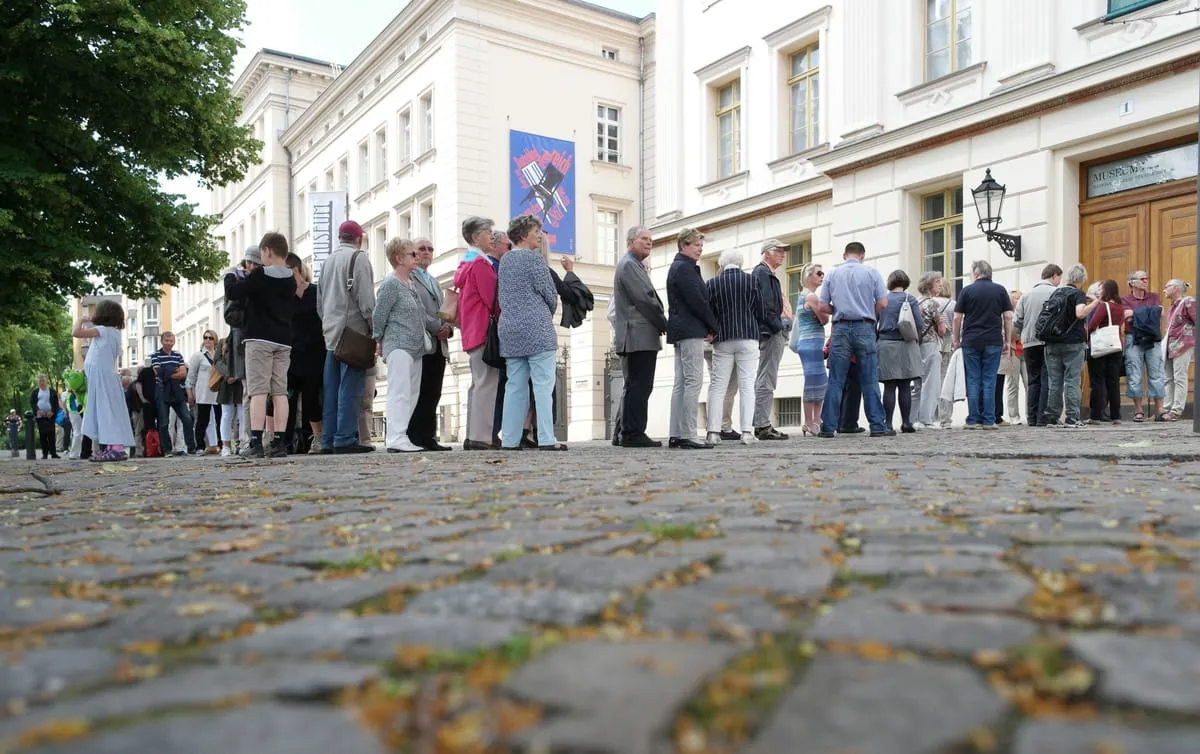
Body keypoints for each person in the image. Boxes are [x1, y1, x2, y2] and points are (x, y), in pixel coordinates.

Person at [224, 231, 296, 458]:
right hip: (284, 341)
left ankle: (255, 441)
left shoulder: (259, 276)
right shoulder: (291, 279)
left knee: (258, 391)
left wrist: (230, 276)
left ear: (267, 251)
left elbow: (234, 292)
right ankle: (279, 442)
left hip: (259, 339)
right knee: (280, 392)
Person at [498, 216, 566, 451]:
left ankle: (509, 439)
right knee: (543, 386)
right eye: (536, 231)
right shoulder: (535, 260)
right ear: (524, 235)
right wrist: (544, 313)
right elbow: (550, 293)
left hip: (510, 329)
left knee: (514, 386)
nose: (540, 235)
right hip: (537, 329)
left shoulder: (505, 260)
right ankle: (546, 438)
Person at [818, 241, 891, 437]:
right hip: (865, 326)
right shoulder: (872, 273)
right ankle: (877, 426)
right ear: (862, 255)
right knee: (869, 379)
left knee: (836, 380)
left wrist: (839, 310)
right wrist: (868, 311)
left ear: (844, 255)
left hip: (841, 327)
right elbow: (883, 303)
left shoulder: (833, 274)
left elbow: (823, 306)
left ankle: (827, 427)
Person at [318, 220, 376, 453]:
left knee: (331, 389)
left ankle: (327, 440)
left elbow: (320, 302)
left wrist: (327, 324)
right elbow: (366, 300)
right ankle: (345, 438)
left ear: (340, 237)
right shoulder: (358, 258)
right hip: (353, 333)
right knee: (351, 388)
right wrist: (374, 327)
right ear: (359, 239)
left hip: (331, 333)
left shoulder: (327, 261)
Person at [612, 226, 669, 448]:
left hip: (634, 334)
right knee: (640, 385)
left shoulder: (631, 264)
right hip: (638, 334)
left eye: (650, 240)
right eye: (644, 239)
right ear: (631, 241)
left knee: (633, 385)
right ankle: (633, 433)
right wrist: (662, 321)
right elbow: (645, 299)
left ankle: (622, 432)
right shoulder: (630, 265)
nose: (649, 242)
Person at [705, 248, 764, 446]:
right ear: (740, 263)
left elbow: (708, 312)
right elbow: (761, 311)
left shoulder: (712, 283)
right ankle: (747, 432)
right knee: (747, 385)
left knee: (718, 385)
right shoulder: (752, 281)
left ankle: (713, 432)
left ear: (721, 265)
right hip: (748, 337)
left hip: (723, 338)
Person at [666, 228, 718, 450]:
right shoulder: (685, 269)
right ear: (684, 245)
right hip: (689, 330)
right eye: (697, 245)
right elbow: (697, 301)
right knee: (692, 381)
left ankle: (677, 433)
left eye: (701, 245)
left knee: (681, 383)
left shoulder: (680, 267)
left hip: (682, 329)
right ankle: (687, 433)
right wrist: (713, 325)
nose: (700, 249)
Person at [455, 217, 504, 451]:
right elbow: (493, 299)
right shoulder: (481, 264)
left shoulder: (467, 263)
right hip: (484, 330)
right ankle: (481, 437)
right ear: (476, 237)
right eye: (488, 232)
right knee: (487, 384)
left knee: (478, 384)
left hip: (472, 331)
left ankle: (473, 435)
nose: (492, 236)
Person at [373, 238, 426, 454]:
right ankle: (395, 437)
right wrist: (378, 339)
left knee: (411, 393)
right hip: (399, 344)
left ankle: (401, 434)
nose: (417, 257)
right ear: (398, 259)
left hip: (415, 346)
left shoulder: (411, 283)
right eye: (412, 254)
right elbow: (379, 315)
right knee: (400, 392)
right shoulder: (391, 284)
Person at [72, 300, 135, 462]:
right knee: (108, 409)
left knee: (105, 410)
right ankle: (112, 447)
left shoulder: (102, 330)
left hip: (101, 377)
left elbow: (76, 333)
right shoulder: (114, 333)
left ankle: (114, 447)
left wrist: (82, 319)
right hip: (104, 376)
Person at [953, 260, 1012, 430]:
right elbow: (1008, 317)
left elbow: (957, 318)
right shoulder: (1000, 290)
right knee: (989, 379)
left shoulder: (967, 291)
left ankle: (973, 419)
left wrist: (957, 340)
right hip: (993, 340)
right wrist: (1007, 340)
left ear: (976, 274)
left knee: (973, 379)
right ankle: (988, 420)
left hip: (971, 341)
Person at [1041, 264, 1101, 428]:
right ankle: (1072, 417)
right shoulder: (1077, 293)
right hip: (1073, 343)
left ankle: (1052, 416)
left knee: (1055, 382)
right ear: (1081, 280)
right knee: (1072, 381)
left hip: (1052, 342)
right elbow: (1080, 313)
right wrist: (1095, 303)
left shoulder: (1057, 292)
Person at [407, 237, 452, 451]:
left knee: (435, 391)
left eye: (430, 248)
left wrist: (448, 327)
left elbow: (444, 310)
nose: (426, 252)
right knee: (421, 390)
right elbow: (417, 309)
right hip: (423, 342)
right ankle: (415, 436)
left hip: (439, 344)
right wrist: (436, 327)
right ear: (413, 254)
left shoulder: (434, 280)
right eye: (421, 249)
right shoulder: (411, 278)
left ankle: (429, 436)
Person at [283, 253, 324, 454]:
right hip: (291, 356)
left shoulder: (316, 292)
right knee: (287, 399)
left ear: (295, 270)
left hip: (315, 355)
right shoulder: (284, 298)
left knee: (311, 400)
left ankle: (316, 438)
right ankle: (285, 442)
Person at [1012, 264, 1062, 427]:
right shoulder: (1055, 293)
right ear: (1054, 276)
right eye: (1059, 278)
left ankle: (1031, 417)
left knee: (1033, 381)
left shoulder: (1026, 296)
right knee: (1047, 378)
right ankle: (1043, 417)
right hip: (1048, 342)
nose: (1059, 282)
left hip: (1029, 343)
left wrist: (1021, 336)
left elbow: (1017, 321)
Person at [877, 270, 926, 433]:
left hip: (885, 344)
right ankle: (906, 423)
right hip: (906, 343)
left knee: (889, 387)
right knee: (905, 385)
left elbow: (874, 322)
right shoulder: (910, 299)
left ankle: (887, 424)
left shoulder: (882, 299)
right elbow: (919, 323)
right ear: (906, 283)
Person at [752, 239, 791, 440]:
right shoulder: (763, 273)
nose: (783, 255)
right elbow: (765, 305)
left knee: (765, 377)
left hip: (769, 330)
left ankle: (762, 423)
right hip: (769, 332)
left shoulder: (765, 273)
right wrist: (778, 327)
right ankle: (762, 424)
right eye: (779, 251)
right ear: (767, 253)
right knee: (766, 378)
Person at [788, 263, 829, 436]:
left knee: (819, 380)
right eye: (819, 273)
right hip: (810, 344)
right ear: (809, 276)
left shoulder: (803, 295)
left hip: (811, 344)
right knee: (813, 382)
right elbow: (824, 319)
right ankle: (809, 421)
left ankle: (816, 420)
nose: (822, 276)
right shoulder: (811, 297)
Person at [1122, 269, 1166, 422]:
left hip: (1153, 339)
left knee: (1157, 372)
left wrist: (1136, 314)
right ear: (1132, 283)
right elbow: (1125, 316)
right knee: (1134, 373)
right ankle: (1138, 410)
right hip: (1133, 338)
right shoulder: (1125, 299)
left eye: (1146, 278)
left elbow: (1160, 312)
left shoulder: (1154, 296)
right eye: (1142, 279)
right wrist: (1150, 313)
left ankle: (1159, 409)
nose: (1146, 281)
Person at [150, 332, 196, 456]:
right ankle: (167, 449)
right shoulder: (155, 355)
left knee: (186, 418)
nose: (169, 343)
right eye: (167, 340)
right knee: (164, 422)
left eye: (171, 341)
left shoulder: (178, 355)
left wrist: (167, 372)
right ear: (162, 341)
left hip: (177, 390)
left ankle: (191, 447)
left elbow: (183, 373)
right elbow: (158, 372)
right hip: (162, 389)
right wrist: (173, 371)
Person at [913, 272, 949, 429]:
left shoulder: (915, 301)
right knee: (930, 382)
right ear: (928, 286)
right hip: (930, 345)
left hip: (916, 345)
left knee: (917, 383)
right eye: (936, 282)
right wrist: (944, 327)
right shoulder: (932, 304)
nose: (940, 284)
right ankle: (925, 419)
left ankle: (911, 418)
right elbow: (941, 330)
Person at [1086, 279, 1125, 424]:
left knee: (1097, 380)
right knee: (1113, 381)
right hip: (1115, 346)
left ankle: (1096, 415)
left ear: (1106, 291)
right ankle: (1116, 415)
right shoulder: (1120, 307)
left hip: (1100, 346)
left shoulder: (1104, 306)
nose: (1099, 292)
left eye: (1101, 289)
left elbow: (1092, 325)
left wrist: (1085, 334)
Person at [1162, 279, 1195, 422]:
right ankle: (1166, 408)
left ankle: (1176, 410)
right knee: (1168, 378)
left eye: (1166, 287)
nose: (1164, 290)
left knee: (1179, 376)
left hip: (1183, 345)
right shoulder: (1172, 306)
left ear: (1175, 288)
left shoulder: (1188, 302)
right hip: (1171, 346)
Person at [186, 330, 222, 454]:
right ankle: (200, 446)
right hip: (203, 391)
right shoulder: (198, 356)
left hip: (217, 391)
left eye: (210, 338)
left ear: (215, 340)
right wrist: (190, 392)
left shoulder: (219, 355)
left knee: (220, 419)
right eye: (205, 337)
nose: (207, 340)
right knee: (202, 419)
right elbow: (191, 376)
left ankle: (222, 444)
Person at [998, 289, 1027, 424]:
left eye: (1020, 297)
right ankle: (1014, 415)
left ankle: (1029, 413)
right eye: (1016, 298)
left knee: (1029, 384)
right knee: (1013, 385)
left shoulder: (1025, 314)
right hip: (1014, 351)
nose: (1019, 300)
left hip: (1025, 351)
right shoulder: (1008, 315)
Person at [29, 374, 60, 459]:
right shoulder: (35, 392)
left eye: (43, 380)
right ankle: (45, 454)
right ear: (38, 382)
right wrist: (38, 411)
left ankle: (53, 453)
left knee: (51, 435)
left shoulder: (52, 391)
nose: (42, 382)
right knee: (43, 435)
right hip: (40, 416)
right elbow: (32, 403)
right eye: (40, 381)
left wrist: (53, 412)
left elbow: (56, 403)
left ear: (46, 381)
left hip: (50, 416)